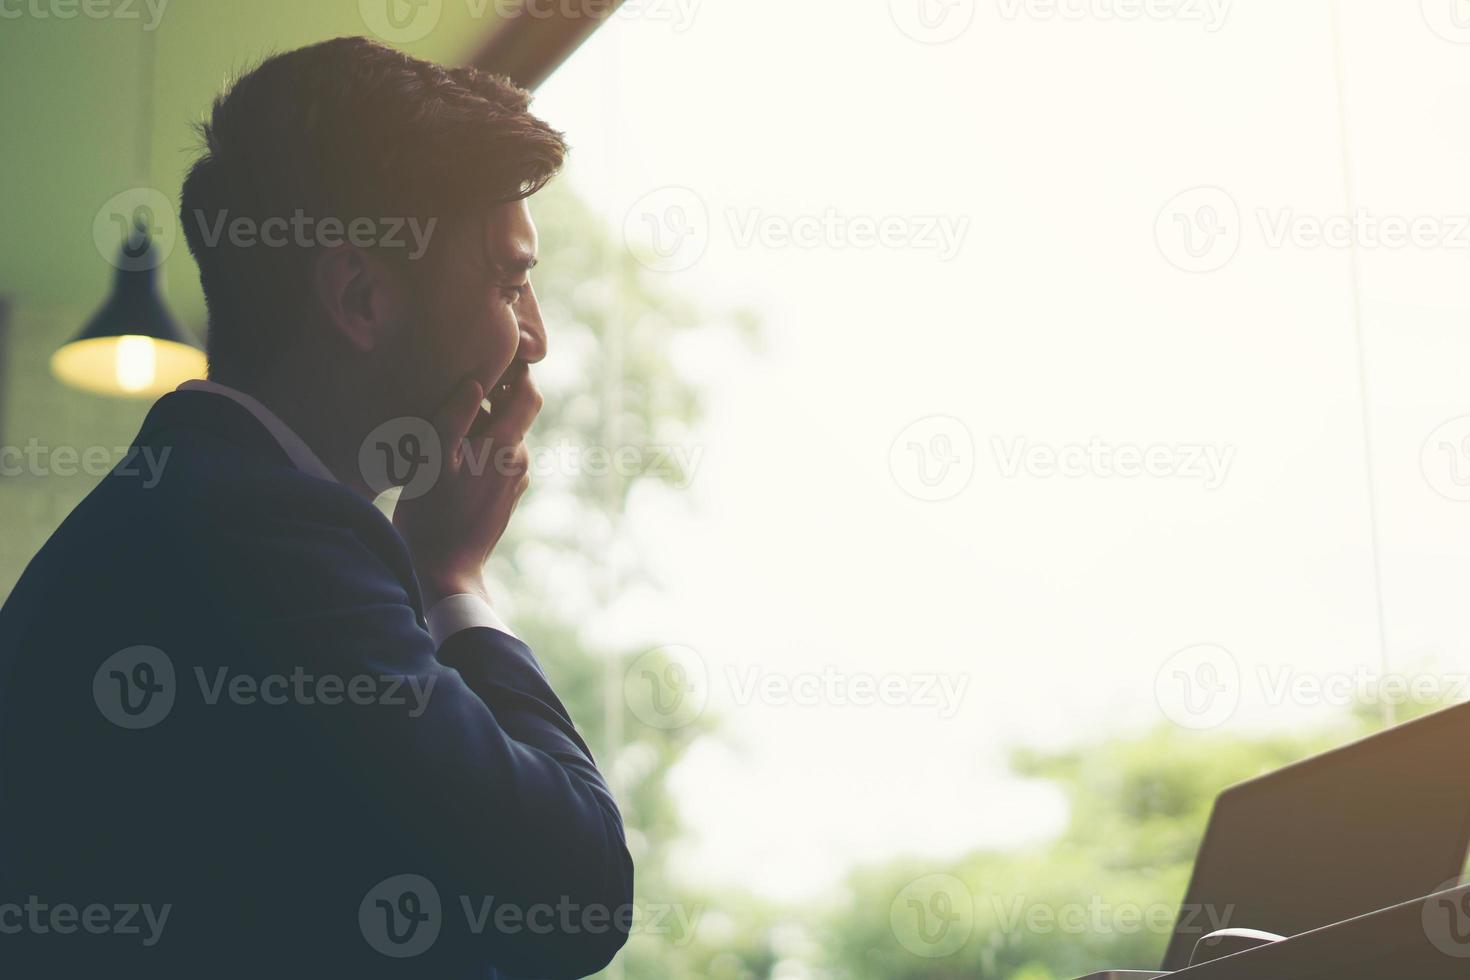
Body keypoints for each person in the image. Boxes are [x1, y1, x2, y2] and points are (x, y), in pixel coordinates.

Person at [0, 36, 632, 978]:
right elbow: (577, 899)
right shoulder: (259, 531)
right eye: (507, 284)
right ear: (362, 295)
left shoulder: (200, 499)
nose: (532, 338)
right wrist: (451, 577)